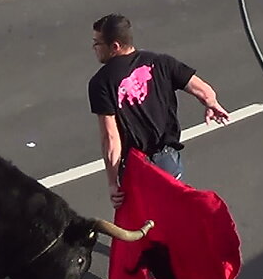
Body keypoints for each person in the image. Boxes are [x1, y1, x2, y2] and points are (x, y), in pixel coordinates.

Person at [88, 13, 231, 208]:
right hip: (168, 161)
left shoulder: (101, 83)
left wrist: (113, 183)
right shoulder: (161, 62)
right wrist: (211, 104)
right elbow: (204, 91)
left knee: (145, 224)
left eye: (97, 43)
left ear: (114, 46)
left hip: (138, 168)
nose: (94, 48)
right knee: (176, 213)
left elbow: (111, 139)